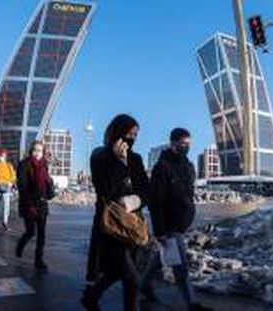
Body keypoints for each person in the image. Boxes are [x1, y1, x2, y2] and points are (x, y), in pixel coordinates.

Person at [81, 114, 150, 311]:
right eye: (128, 134)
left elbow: (146, 190)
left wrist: (135, 200)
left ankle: (91, 296)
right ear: (117, 132)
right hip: (110, 226)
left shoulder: (136, 159)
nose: (132, 138)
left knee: (116, 271)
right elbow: (105, 190)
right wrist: (120, 163)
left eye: (135, 134)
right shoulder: (100, 155)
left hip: (131, 225)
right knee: (132, 279)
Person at [148, 128, 213, 311]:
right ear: (173, 143)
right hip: (169, 223)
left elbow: (188, 195)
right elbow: (156, 201)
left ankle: (144, 284)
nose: (186, 147)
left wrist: (189, 213)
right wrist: (159, 230)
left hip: (182, 221)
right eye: (183, 143)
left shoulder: (188, 166)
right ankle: (192, 304)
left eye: (188, 144)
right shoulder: (162, 167)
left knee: (162, 258)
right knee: (180, 266)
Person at [15, 140, 54, 271]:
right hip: (28, 203)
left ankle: (39, 260)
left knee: (42, 234)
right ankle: (20, 245)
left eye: (40, 151)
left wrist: (50, 186)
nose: (38, 153)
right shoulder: (24, 164)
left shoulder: (44, 165)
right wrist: (29, 204)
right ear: (31, 151)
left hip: (42, 202)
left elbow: (46, 184)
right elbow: (22, 187)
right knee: (31, 232)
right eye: (35, 150)